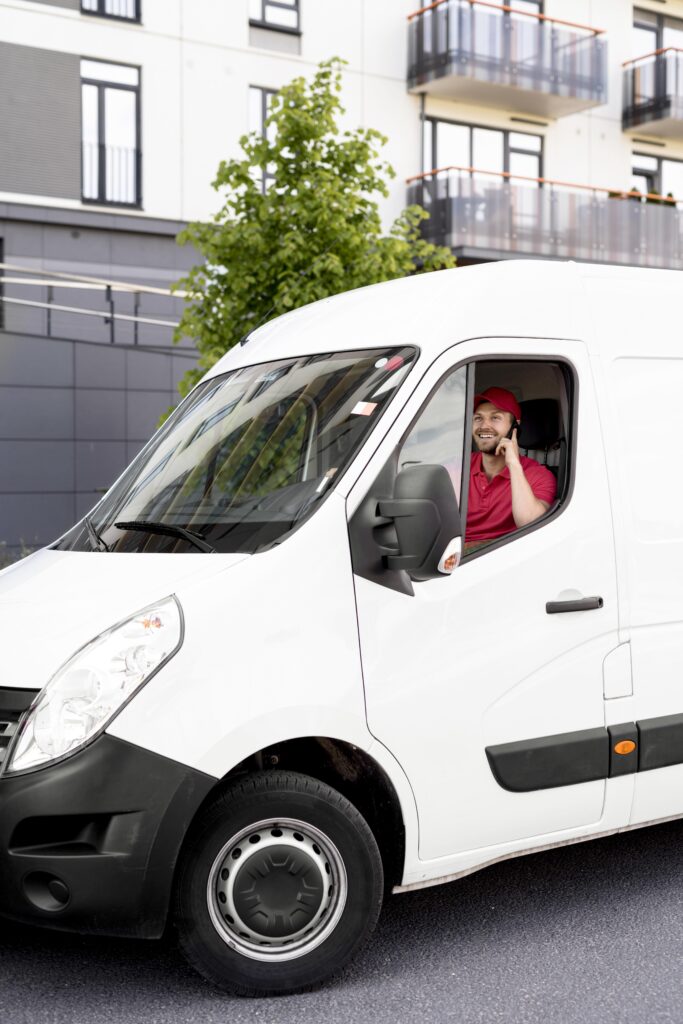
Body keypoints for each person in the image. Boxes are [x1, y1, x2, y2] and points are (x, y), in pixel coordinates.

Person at [465, 387, 557, 550]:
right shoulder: (457, 469)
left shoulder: (539, 476)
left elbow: (531, 527)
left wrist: (514, 466)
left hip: (505, 558)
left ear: (515, 427)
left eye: (495, 418)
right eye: (478, 418)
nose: (484, 426)